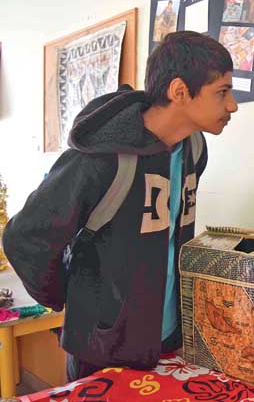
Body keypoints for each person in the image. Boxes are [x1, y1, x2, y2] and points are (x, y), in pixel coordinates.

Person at [2, 31, 238, 381]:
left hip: (169, 342)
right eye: (222, 91)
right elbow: (25, 238)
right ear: (179, 92)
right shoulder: (103, 157)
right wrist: (70, 298)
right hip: (103, 351)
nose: (232, 105)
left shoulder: (194, 149)